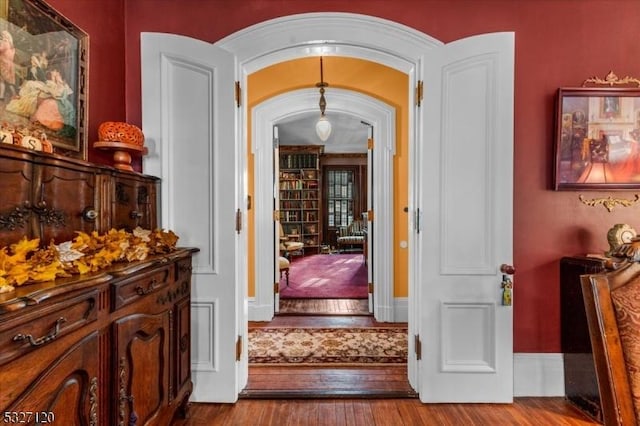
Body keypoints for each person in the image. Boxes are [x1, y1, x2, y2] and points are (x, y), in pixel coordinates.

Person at [0, 30, 16, 100]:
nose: (2, 36)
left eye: (3, 35)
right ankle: (1, 96)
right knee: (3, 80)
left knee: (5, 81)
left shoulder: (5, 43)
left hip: (3, 63)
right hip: (8, 64)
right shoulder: (11, 44)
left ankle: (14, 94)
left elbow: (0, 49)